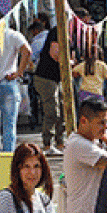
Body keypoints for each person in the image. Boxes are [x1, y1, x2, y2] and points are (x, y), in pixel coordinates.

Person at [0, 22, 31, 152]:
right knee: (9, 125)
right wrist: (19, 72)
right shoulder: (13, 35)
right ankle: (9, 157)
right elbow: (27, 50)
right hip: (8, 82)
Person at [33, 17, 65, 154]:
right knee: (52, 111)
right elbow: (55, 53)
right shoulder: (57, 31)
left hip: (58, 79)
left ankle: (60, 143)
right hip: (46, 77)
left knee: (62, 111)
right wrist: (68, 61)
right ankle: (47, 144)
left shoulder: (72, 33)